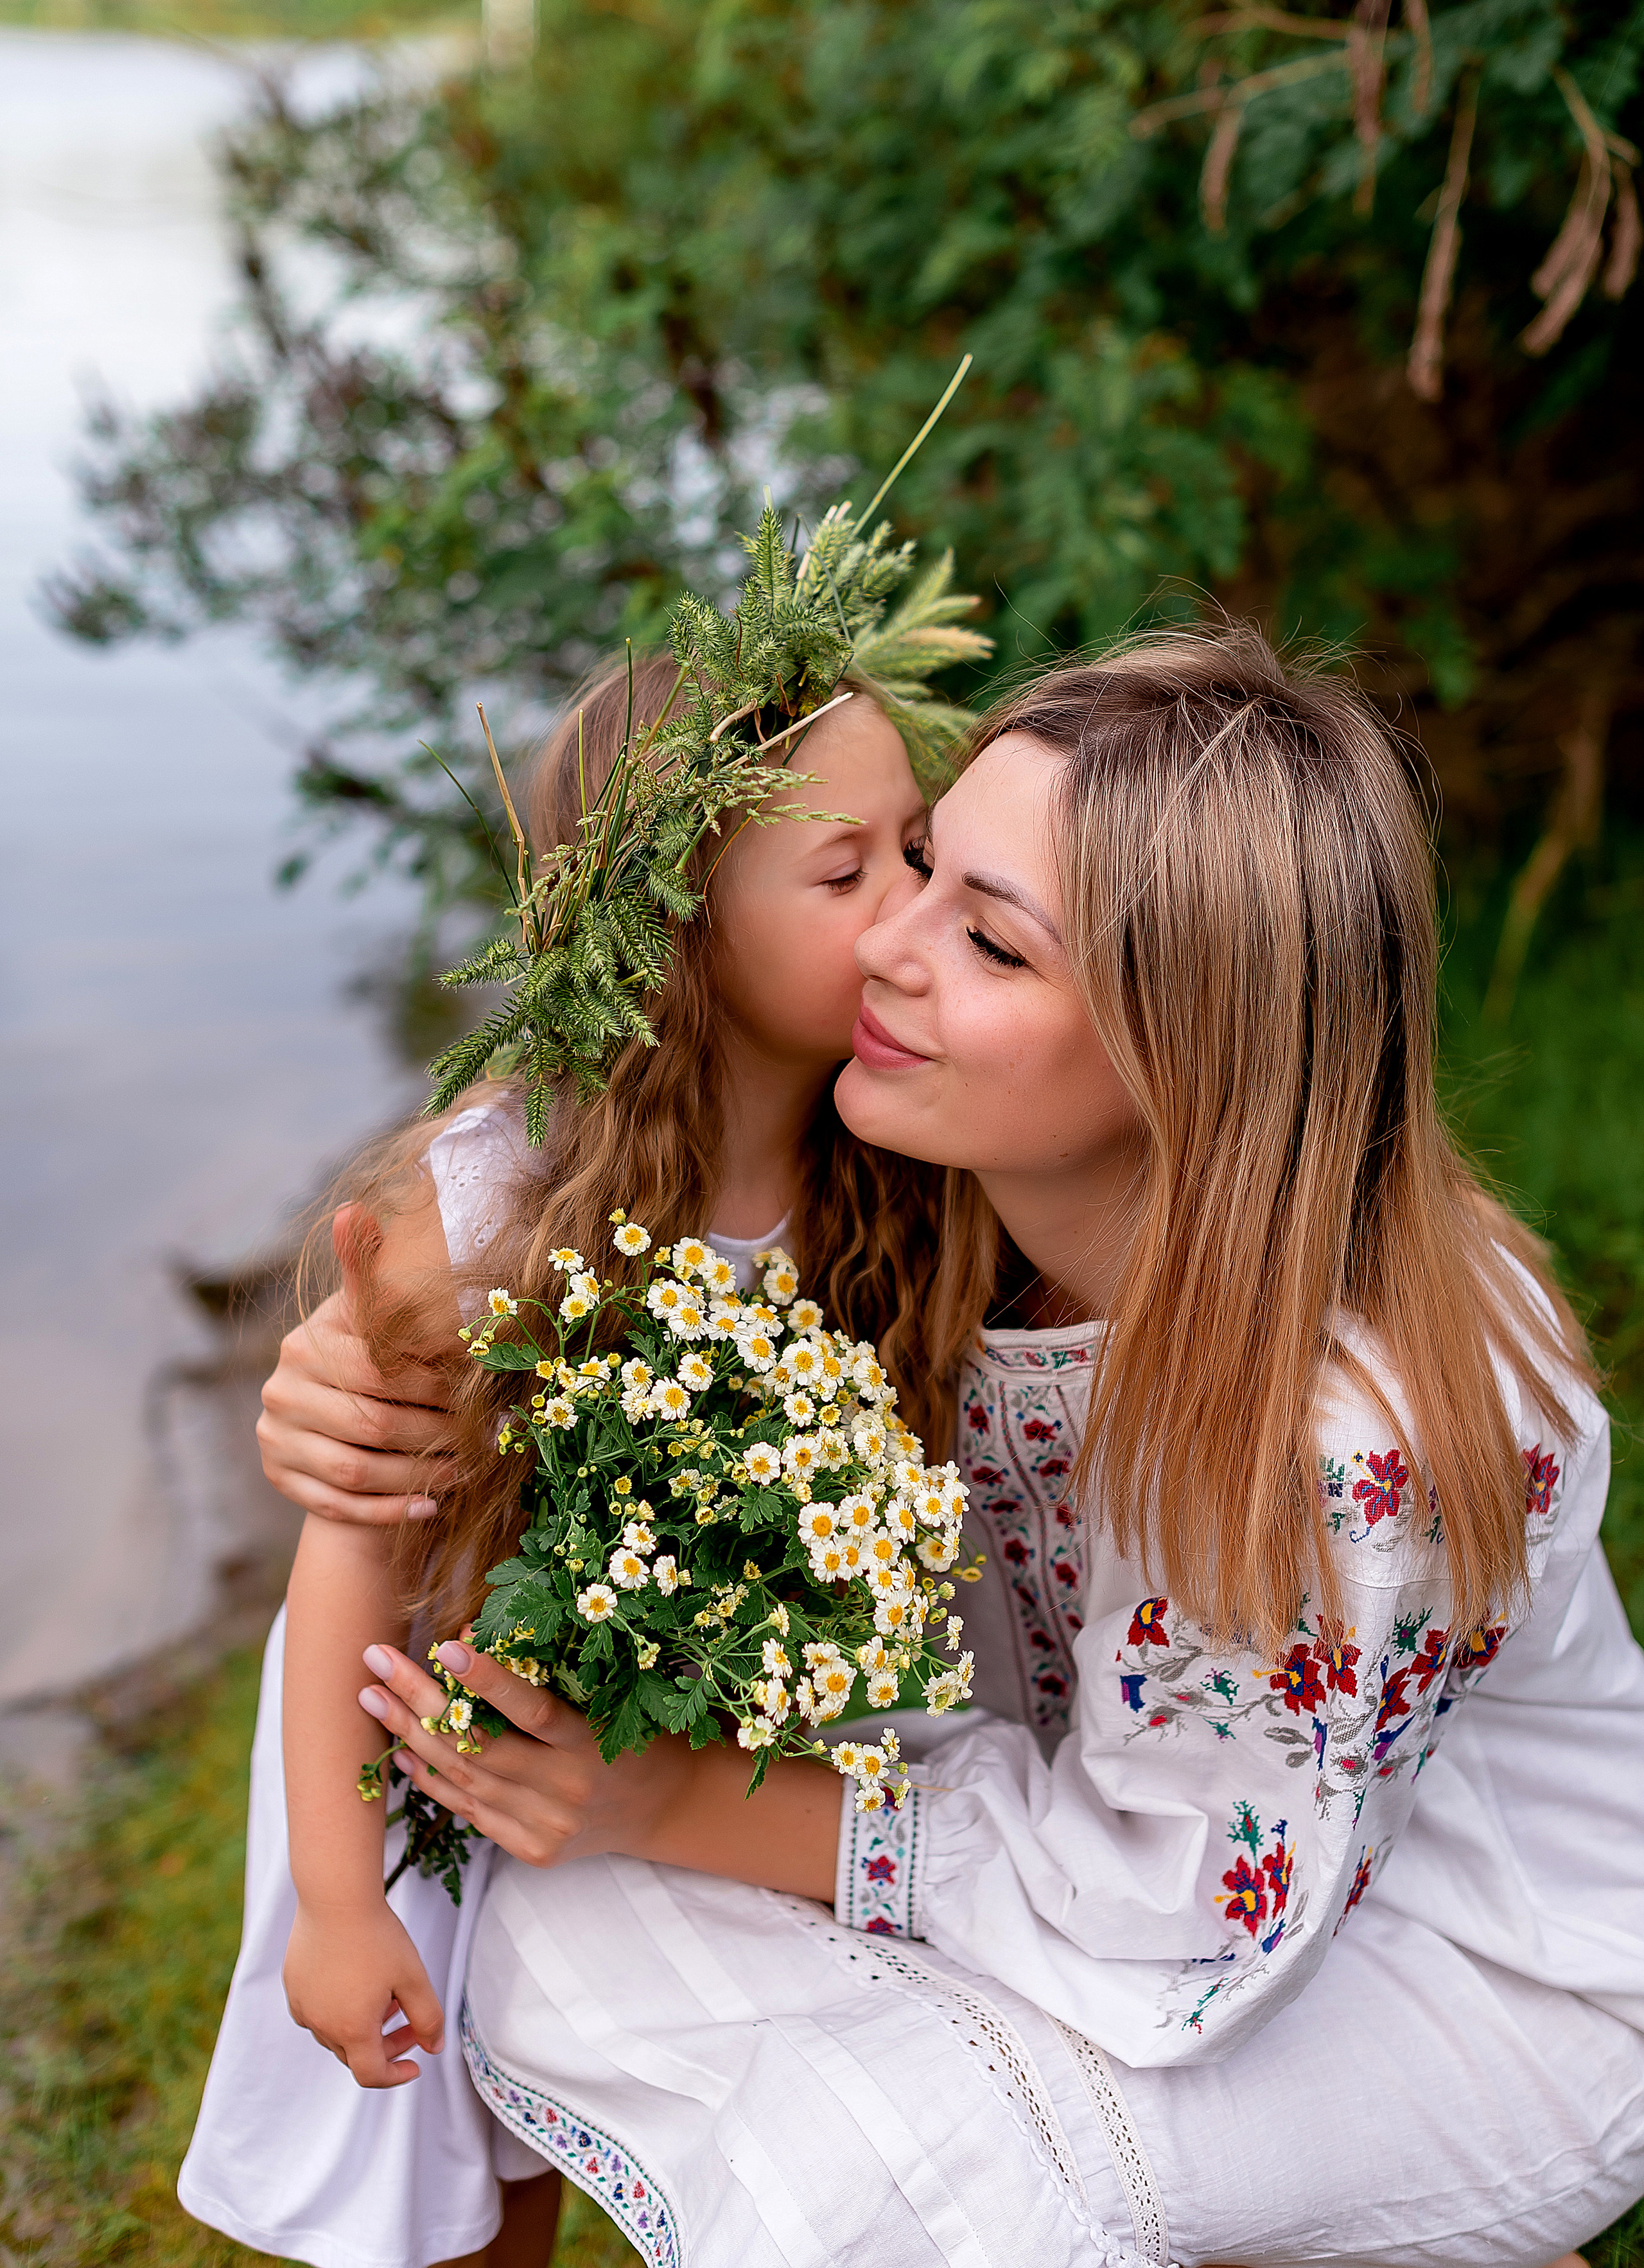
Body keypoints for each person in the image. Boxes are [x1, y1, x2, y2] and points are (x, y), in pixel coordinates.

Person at [353, 629, 1644, 2268]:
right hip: (1090, 1848)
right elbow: (595, 1178)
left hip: (1468, 1966)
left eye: (988, 941)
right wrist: (369, 1359)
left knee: (888, 2154)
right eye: (916, 867)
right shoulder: (950, 1191)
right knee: (558, 1947)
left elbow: (1184, 1918)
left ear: (1184, 1048)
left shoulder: (1346, 1433)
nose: (884, 944)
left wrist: (672, 1801)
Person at [178, 651, 952, 2268]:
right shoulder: (507, 1201)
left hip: (653, 1737)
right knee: (445, 2196)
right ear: (680, 920)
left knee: (580, 2099)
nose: (907, 909)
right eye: (844, 869)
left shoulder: (899, 1171)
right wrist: (337, 1898)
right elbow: (356, 1560)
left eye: (921, 847)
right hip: (413, 1737)